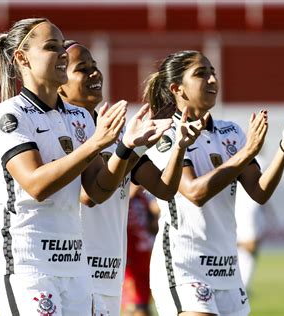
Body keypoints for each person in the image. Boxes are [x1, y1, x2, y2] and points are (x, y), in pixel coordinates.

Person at [0, 18, 169, 315]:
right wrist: (95, 144)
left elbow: (97, 192)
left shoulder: (80, 118)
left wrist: (126, 147)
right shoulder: (11, 115)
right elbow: (36, 185)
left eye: (61, 47)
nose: (61, 54)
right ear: (22, 58)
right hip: (28, 264)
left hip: (75, 266)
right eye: (50, 47)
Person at [143, 50, 284, 316]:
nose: (212, 80)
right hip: (184, 266)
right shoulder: (164, 134)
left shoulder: (230, 132)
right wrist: (245, 154)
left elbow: (259, 192)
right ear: (176, 88)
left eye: (212, 72)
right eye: (201, 74)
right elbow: (195, 192)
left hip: (227, 269)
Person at [57, 41, 209, 315]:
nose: (95, 73)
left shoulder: (118, 130)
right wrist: (130, 147)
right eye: (82, 69)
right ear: (59, 82)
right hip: (74, 270)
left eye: (95, 66)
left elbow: (164, 188)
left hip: (109, 267)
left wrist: (180, 146)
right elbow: (90, 195)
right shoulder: (62, 129)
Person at [235, 155, 277, 291]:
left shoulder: (245, 156)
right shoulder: (258, 160)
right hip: (248, 208)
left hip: (248, 207)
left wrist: (269, 211)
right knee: (250, 247)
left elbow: (264, 189)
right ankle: (242, 285)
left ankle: (243, 285)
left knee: (250, 249)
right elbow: (262, 185)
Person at [122, 184, 160, 316]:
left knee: (143, 303)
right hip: (128, 257)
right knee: (133, 305)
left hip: (145, 255)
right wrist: (133, 189)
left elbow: (154, 226)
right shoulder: (122, 191)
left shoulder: (145, 196)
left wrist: (155, 215)